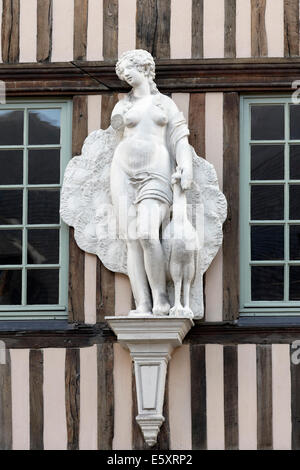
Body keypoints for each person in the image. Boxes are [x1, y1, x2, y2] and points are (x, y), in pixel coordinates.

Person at [109, 49, 193, 316]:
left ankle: (161, 298)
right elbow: (116, 127)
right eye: (121, 74)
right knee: (131, 239)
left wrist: (186, 166)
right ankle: (143, 303)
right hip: (122, 169)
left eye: (127, 70)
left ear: (143, 68)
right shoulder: (123, 105)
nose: (124, 76)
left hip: (156, 169)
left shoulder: (164, 104)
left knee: (147, 232)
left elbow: (179, 137)